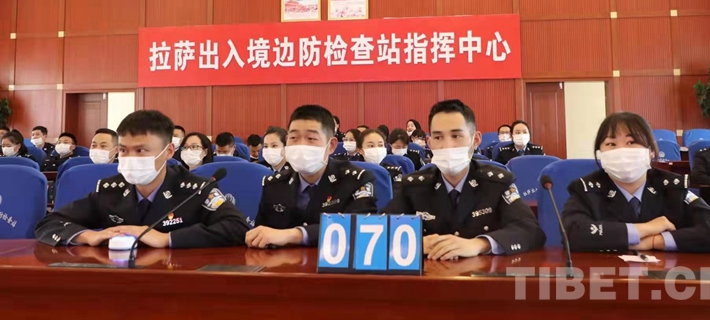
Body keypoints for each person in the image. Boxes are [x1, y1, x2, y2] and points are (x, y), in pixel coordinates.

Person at [35, 110, 249, 248]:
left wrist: (167, 239)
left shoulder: (194, 189)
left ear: (169, 151)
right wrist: (88, 236)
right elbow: (49, 223)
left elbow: (238, 227)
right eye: (124, 150)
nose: (130, 158)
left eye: (141, 150)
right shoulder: (110, 190)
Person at [383, 100, 546, 259]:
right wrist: (414, 243)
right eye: (438, 138)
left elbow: (530, 230)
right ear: (429, 143)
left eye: (456, 136)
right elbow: (380, 232)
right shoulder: (412, 187)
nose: (447, 145)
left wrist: (480, 244)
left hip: (481, 273)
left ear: (475, 140)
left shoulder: (497, 184)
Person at [562, 112, 710, 254]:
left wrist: (657, 241)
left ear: (651, 151)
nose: (621, 151)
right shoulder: (586, 189)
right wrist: (646, 229)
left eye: (631, 142)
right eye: (611, 144)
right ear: (600, 153)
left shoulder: (672, 187)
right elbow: (571, 233)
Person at [246, 105, 378, 248]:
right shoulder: (274, 185)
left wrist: (296, 235)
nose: (301, 145)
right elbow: (262, 236)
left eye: (311, 138)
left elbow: (359, 227)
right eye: (294, 138)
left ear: (331, 145)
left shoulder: (356, 180)